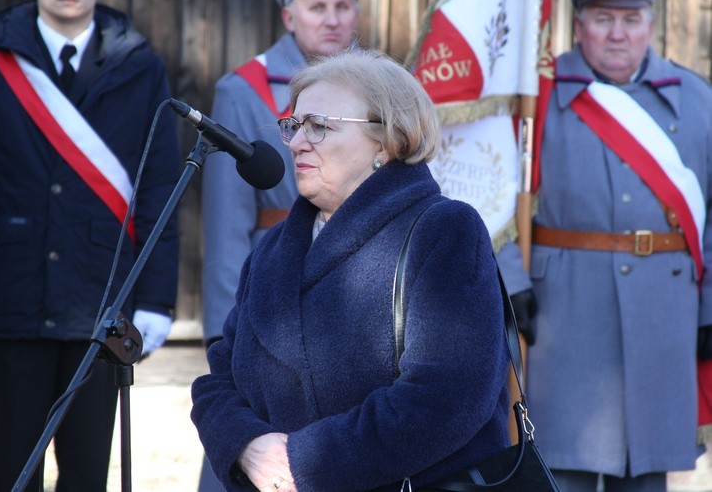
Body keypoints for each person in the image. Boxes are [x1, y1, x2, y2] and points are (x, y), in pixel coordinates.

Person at [191, 48, 510, 491]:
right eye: (294, 125)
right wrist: (246, 445)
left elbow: (446, 399)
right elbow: (218, 380)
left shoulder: (444, 230)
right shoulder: (272, 251)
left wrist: (301, 464)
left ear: (387, 141)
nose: (298, 142)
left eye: (319, 126)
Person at [0, 0, 180, 490]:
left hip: (100, 305)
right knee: (11, 473)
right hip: (12, 299)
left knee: (87, 475)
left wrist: (158, 299)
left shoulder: (141, 66)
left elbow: (159, 188)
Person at [526, 0, 712, 490]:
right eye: (604, 18)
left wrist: (711, 306)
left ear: (650, 25)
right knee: (559, 469)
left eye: (630, 20)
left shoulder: (697, 99)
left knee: (647, 473)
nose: (617, 34)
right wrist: (505, 280)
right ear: (579, 23)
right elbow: (495, 196)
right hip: (562, 312)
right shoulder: (538, 94)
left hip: (665, 313)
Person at [201, 0, 362, 350]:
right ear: (289, 16)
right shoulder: (242, 89)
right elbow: (226, 222)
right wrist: (223, 331)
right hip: (276, 282)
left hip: (359, 282)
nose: (332, 20)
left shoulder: (378, 89)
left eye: (342, 6)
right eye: (317, 7)